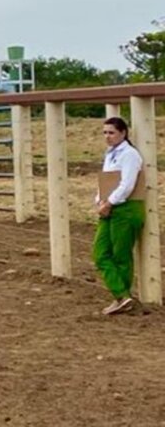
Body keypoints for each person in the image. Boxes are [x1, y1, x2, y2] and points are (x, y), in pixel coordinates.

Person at [93, 116, 145, 315]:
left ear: (123, 133)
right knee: (100, 253)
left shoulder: (129, 154)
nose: (107, 136)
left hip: (125, 208)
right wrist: (100, 201)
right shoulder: (110, 154)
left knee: (121, 255)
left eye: (111, 132)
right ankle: (122, 295)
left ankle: (122, 298)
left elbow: (127, 184)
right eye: (105, 132)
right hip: (109, 208)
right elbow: (106, 181)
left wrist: (109, 202)